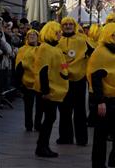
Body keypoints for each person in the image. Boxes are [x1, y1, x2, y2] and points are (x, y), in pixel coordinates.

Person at [87, 23, 115, 168]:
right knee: (101, 134)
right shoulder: (99, 52)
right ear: (108, 35)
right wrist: (100, 101)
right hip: (106, 99)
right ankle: (98, 164)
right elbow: (95, 78)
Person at [34, 21, 69, 158]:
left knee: (50, 118)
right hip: (48, 91)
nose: (60, 34)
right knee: (49, 118)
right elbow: (43, 70)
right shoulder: (45, 48)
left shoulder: (55, 48)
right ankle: (42, 146)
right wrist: (45, 91)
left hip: (55, 90)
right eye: (58, 32)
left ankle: (43, 145)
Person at [57, 17, 92, 146]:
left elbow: (93, 53)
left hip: (79, 79)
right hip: (63, 79)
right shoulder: (58, 40)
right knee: (64, 110)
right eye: (65, 24)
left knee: (80, 110)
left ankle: (81, 139)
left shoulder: (83, 39)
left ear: (75, 25)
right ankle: (65, 137)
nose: (68, 26)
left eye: (70, 24)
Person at [15, 29, 43, 131]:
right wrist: (19, 82)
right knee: (28, 105)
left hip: (40, 81)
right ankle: (28, 125)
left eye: (34, 35)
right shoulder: (22, 49)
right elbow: (18, 65)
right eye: (29, 35)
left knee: (40, 105)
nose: (31, 36)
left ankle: (38, 124)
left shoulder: (42, 49)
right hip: (27, 81)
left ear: (37, 36)